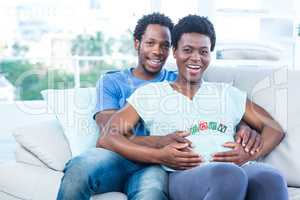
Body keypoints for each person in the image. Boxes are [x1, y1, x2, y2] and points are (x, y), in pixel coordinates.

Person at [57, 13, 262, 200]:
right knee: (80, 167)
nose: (157, 51)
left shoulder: (179, 80)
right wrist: (159, 142)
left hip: (157, 166)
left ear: (173, 50)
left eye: (164, 45)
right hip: (118, 156)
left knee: (150, 192)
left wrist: (244, 127)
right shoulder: (113, 81)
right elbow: (108, 134)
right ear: (137, 43)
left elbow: (215, 111)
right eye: (150, 43)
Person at [99, 15, 288, 200]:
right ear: (175, 51)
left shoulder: (227, 92)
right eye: (188, 50)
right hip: (185, 174)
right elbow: (108, 137)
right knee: (229, 175)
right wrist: (158, 155)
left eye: (203, 52)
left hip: (237, 168)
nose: (196, 58)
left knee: (271, 178)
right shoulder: (151, 93)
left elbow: (274, 128)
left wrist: (248, 154)